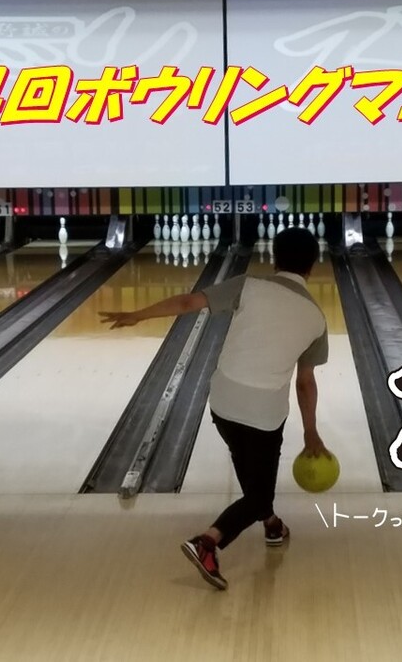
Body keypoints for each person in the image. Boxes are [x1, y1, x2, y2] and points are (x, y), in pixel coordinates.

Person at [100, 227, 330, 590]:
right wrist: (311, 431)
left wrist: (137, 315)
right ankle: (207, 543)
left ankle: (272, 525)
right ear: (313, 266)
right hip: (265, 414)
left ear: (274, 259)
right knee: (259, 494)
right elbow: (305, 382)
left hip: (222, 402)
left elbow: (187, 303)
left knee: (250, 471)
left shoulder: (248, 285)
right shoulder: (316, 319)